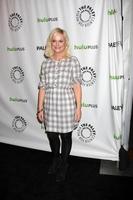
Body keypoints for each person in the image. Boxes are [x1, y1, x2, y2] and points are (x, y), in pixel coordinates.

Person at [37, 27, 82, 182]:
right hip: (50, 105)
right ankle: (56, 159)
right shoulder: (45, 64)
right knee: (52, 136)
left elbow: (76, 86)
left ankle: (64, 164)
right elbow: (42, 87)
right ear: (51, 43)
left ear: (65, 43)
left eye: (60, 41)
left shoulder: (72, 61)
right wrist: (39, 108)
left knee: (65, 136)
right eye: (54, 41)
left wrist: (78, 108)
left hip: (67, 105)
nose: (57, 44)